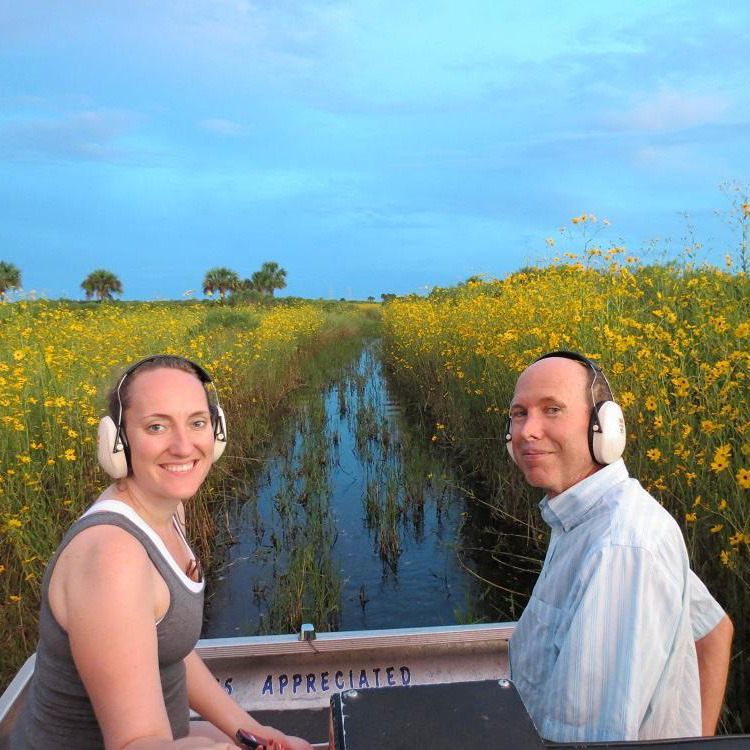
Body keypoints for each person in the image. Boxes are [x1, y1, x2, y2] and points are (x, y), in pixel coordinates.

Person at [11, 355, 313, 750]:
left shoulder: (170, 513)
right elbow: (135, 744)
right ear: (117, 442)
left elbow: (168, 647)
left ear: (216, 432)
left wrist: (250, 732)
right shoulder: (113, 557)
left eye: (197, 423)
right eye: (157, 426)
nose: (183, 446)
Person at [505, 350, 733, 743]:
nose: (527, 431)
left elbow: (584, 741)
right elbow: (713, 631)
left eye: (552, 410)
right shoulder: (591, 517)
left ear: (605, 427)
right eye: (519, 413)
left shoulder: (620, 548)